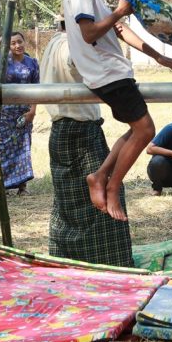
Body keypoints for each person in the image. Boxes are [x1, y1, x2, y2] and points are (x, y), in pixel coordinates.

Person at [63, 0, 172, 221]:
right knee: (145, 130)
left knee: (135, 130)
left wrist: (157, 55)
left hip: (112, 71)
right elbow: (90, 32)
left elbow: (118, 29)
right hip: (106, 72)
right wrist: (118, 12)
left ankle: (100, 176)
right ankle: (112, 185)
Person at [40, 23, 132, 266]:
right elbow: (79, 62)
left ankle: (69, 258)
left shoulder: (53, 42)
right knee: (102, 197)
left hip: (62, 129)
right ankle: (109, 263)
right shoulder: (72, 44)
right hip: (79, 131)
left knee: (68, 201)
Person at [0, 32, 40, 196]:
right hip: (3, 112)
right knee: (2, 147)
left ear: (24, 42)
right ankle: (4, 185)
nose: (17, 46)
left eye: (19, 42)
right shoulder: (2, 60)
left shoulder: (32, 63)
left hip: (23, 112)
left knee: (23, 147)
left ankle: (22, 186)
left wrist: (33, 111)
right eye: (13, 43)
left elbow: (37, 88)